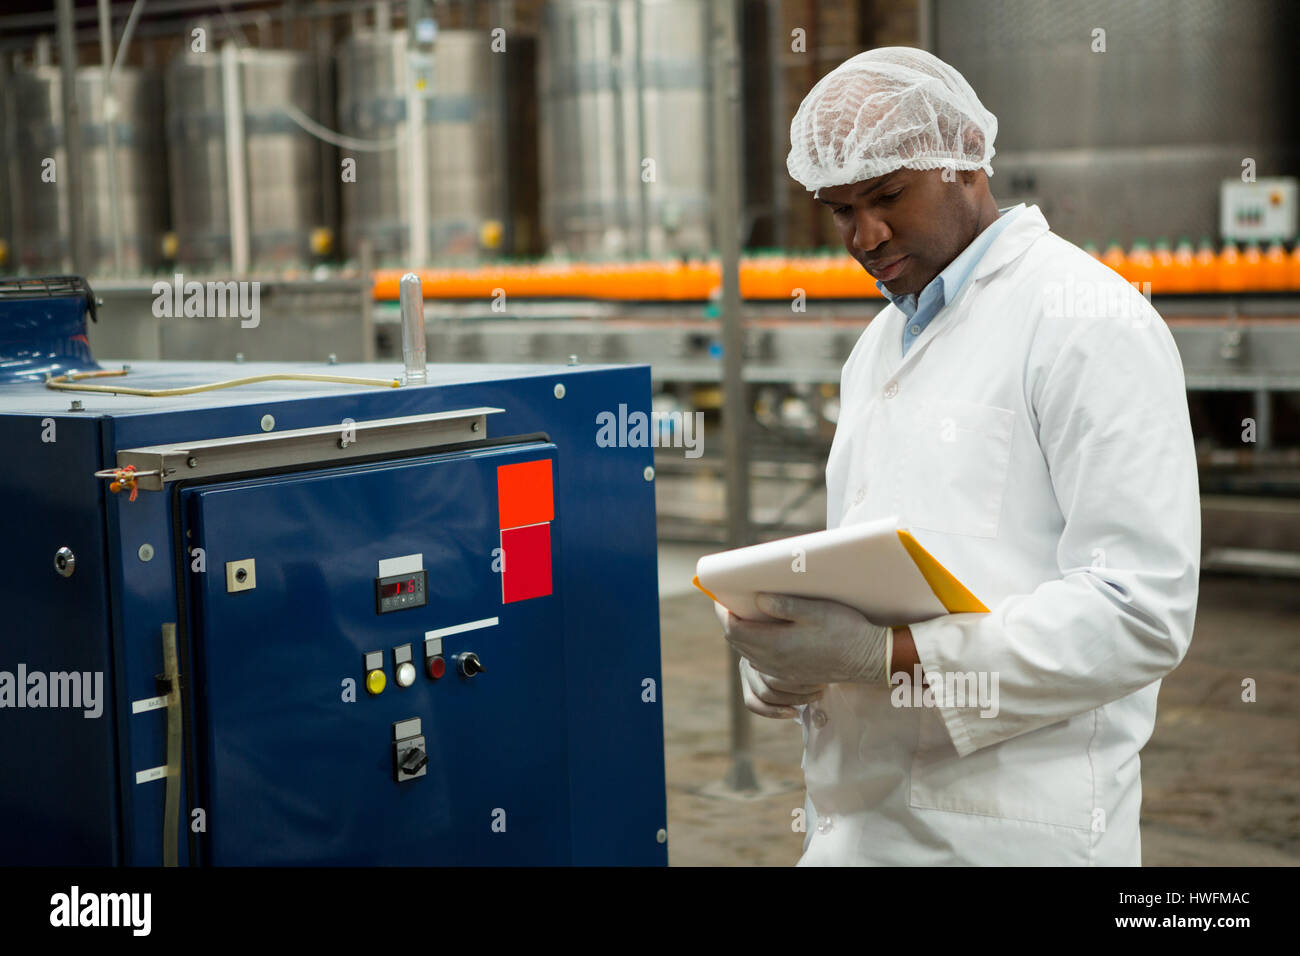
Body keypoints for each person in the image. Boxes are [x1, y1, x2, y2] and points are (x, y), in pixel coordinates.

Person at [717, 47, 1200, 865]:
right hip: (856, 828)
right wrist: (790, 661)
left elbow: (1139, 614)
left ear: (966, 155)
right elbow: (862, 570)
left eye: (887, 196)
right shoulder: (880, 346)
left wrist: (888, 659)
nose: (864, 236)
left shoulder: (1085, 320)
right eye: (839, 210)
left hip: (1004, 832)